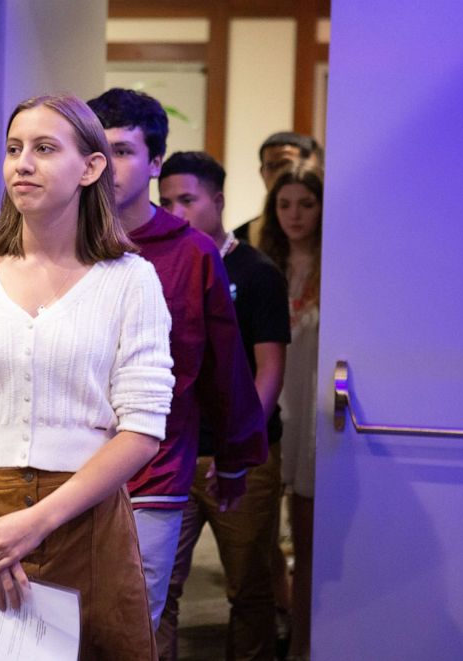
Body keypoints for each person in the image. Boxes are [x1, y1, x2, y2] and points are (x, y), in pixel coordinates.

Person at [0, 93, 175, 660]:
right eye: (13, 149)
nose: (22, 163)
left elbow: (143, 427)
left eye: (44, 148)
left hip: (83, 516)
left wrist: (37, 521)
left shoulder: (131, 280)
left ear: (91, 167)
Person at [87, 88, 267, 632]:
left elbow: (222, 365)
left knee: (134, 622)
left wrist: (235, 456)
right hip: (66, 463)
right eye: (97, 149)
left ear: (155, 163)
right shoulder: (63, 241)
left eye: (122, 151)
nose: (106, 165)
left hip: (156, 465)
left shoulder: (192, 252)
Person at [155, 151, 291, 661]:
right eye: (166, 201)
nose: (175, 211)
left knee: (248, 589)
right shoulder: (157, 264)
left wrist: (239, 447)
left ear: (218, 200)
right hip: (172, 452)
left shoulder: (256, 272)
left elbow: (269, 370)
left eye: (187, 200)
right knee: (158, 585)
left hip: (242, 455)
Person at [258, 163, 324, 661]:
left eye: (306, 203)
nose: (295, 214)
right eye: (285, 204)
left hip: (317, 414)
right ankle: (282, 619)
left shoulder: (340, 266)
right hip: (272, 410)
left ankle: (304, 642)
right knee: (258, 540)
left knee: (310, 540)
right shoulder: (265, 269)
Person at [235, 131, 321, 246]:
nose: (278, 174)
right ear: (262, 173)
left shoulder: (329, 231)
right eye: (270, 167)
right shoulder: (241, 237)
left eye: (285, 164)